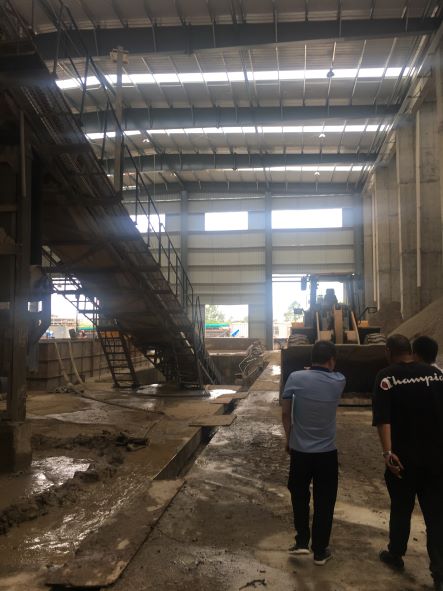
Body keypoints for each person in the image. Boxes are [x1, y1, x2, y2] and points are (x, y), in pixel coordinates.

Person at [373, 334, 443, 590]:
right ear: (410, 351)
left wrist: (387, 453)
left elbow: (383, 419)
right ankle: (439, 572)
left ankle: (396, 554)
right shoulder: (437, 375)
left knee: (401, 508)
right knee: (436, 515)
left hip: (403, 459)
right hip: (436, 459)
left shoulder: (386, 377)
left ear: (388, 351)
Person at [282, 340, 346, 565]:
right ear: (331, 360)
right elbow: (330, 374)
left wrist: (289, 438)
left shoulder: (295, 378)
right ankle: (320, 550)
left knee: (299, 495)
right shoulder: (339, 380)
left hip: (300, 451)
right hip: (327, 454)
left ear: (311, 359)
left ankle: (301, 541)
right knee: (325, 501)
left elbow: (286, 413)